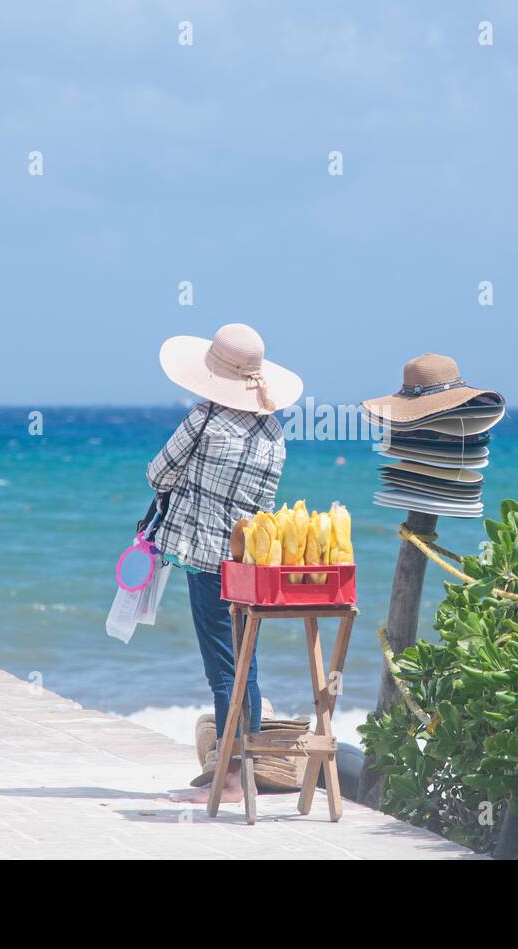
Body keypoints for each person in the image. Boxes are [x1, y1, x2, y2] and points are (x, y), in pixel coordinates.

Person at [146, 323, 303, 803]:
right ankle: (242, 769)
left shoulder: (205, 418)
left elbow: (158, 473)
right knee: (244, 665)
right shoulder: (274, 430)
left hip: (205, 558)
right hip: (248, 563)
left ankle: (232, 779)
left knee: (223, 670)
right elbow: (264, 502)